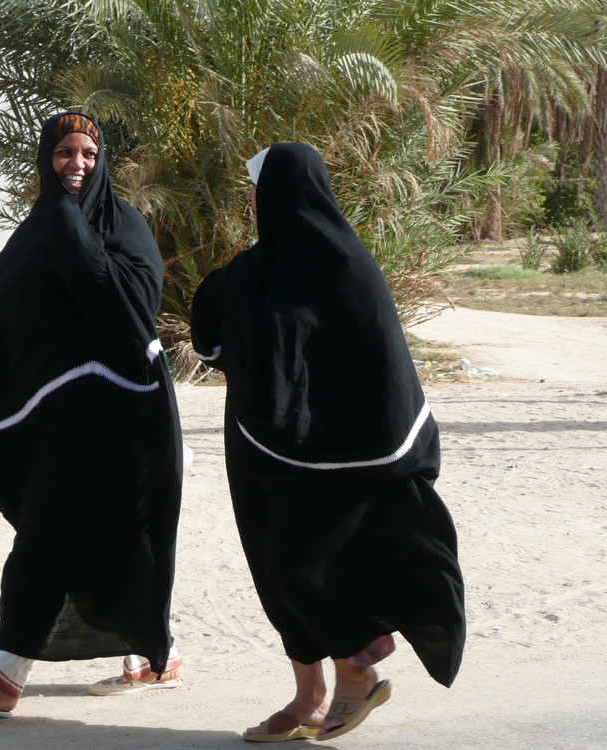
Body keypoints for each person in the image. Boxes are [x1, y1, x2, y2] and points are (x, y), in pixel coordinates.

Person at [190, 142, 465, 742]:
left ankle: (357, 667)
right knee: (274, 567)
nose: (255, 199)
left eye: (258, 189)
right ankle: (309, 696)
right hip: (265, 451)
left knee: (300, 566)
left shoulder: (345, 267)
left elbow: (382, 361)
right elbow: (209, 335)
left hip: (348, 458)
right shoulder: (253, 273)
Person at [0, 112, 184, 718]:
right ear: (46, 158)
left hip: (122, 418)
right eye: (65, 153)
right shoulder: (33, 231)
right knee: (93, 536)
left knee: (49, 536)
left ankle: (1, 678)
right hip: (59, 420)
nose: (77, 166)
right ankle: (150, 656)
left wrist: (70, 226)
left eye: (88, 154)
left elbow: (125, 304)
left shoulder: (125, 225)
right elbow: (3, 316)